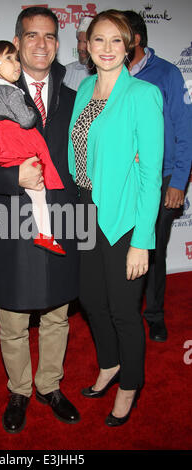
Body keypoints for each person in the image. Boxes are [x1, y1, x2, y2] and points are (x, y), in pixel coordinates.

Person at [0, 7, 80, 433]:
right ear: (17, 42)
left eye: (49, 36)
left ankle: (50, 385)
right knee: (12, 319)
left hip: (61, 215)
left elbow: (85, 156)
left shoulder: (74, 93)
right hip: (9, 217)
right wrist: (11, 177)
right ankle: (20, 389)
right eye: (31, 36)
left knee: (58, 314)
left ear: (58, 43)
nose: (41, 44)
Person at [68, 10, 164, 426]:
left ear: (129, 47)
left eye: (116, 41)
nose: (107, 49)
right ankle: (109, 364)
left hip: (123, 216)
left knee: (125, 308)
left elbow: (150, 172)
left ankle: (131, 385)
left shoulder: (143, 94)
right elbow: (78, 149)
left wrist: (142, 238)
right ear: (87, 47)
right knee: (90, 299)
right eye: (98, 41)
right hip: (84, 209)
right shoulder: (84, 86)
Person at [123, 10, 192, 342]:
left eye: (118, 35)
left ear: (135, 39)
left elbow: (184, 129)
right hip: (121, 179)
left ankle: (154, 313)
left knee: (152, 250)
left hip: (161, 177)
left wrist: (179, 180)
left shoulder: (166, 73)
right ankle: (124, 312)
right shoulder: (111, 73)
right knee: (119, 247)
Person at [0, 40, 66, 256]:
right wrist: (29, 111)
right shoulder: (11, 91)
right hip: (13, 145)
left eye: (16, 58)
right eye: (9, 58)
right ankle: (45, 235)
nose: (17, 63)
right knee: (38, 191)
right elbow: (27, 120)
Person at [64, 16, 93, 91]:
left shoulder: (109, 74)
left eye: (85, 42)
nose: (80, 47)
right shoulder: (66, 72)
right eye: (79, 41)